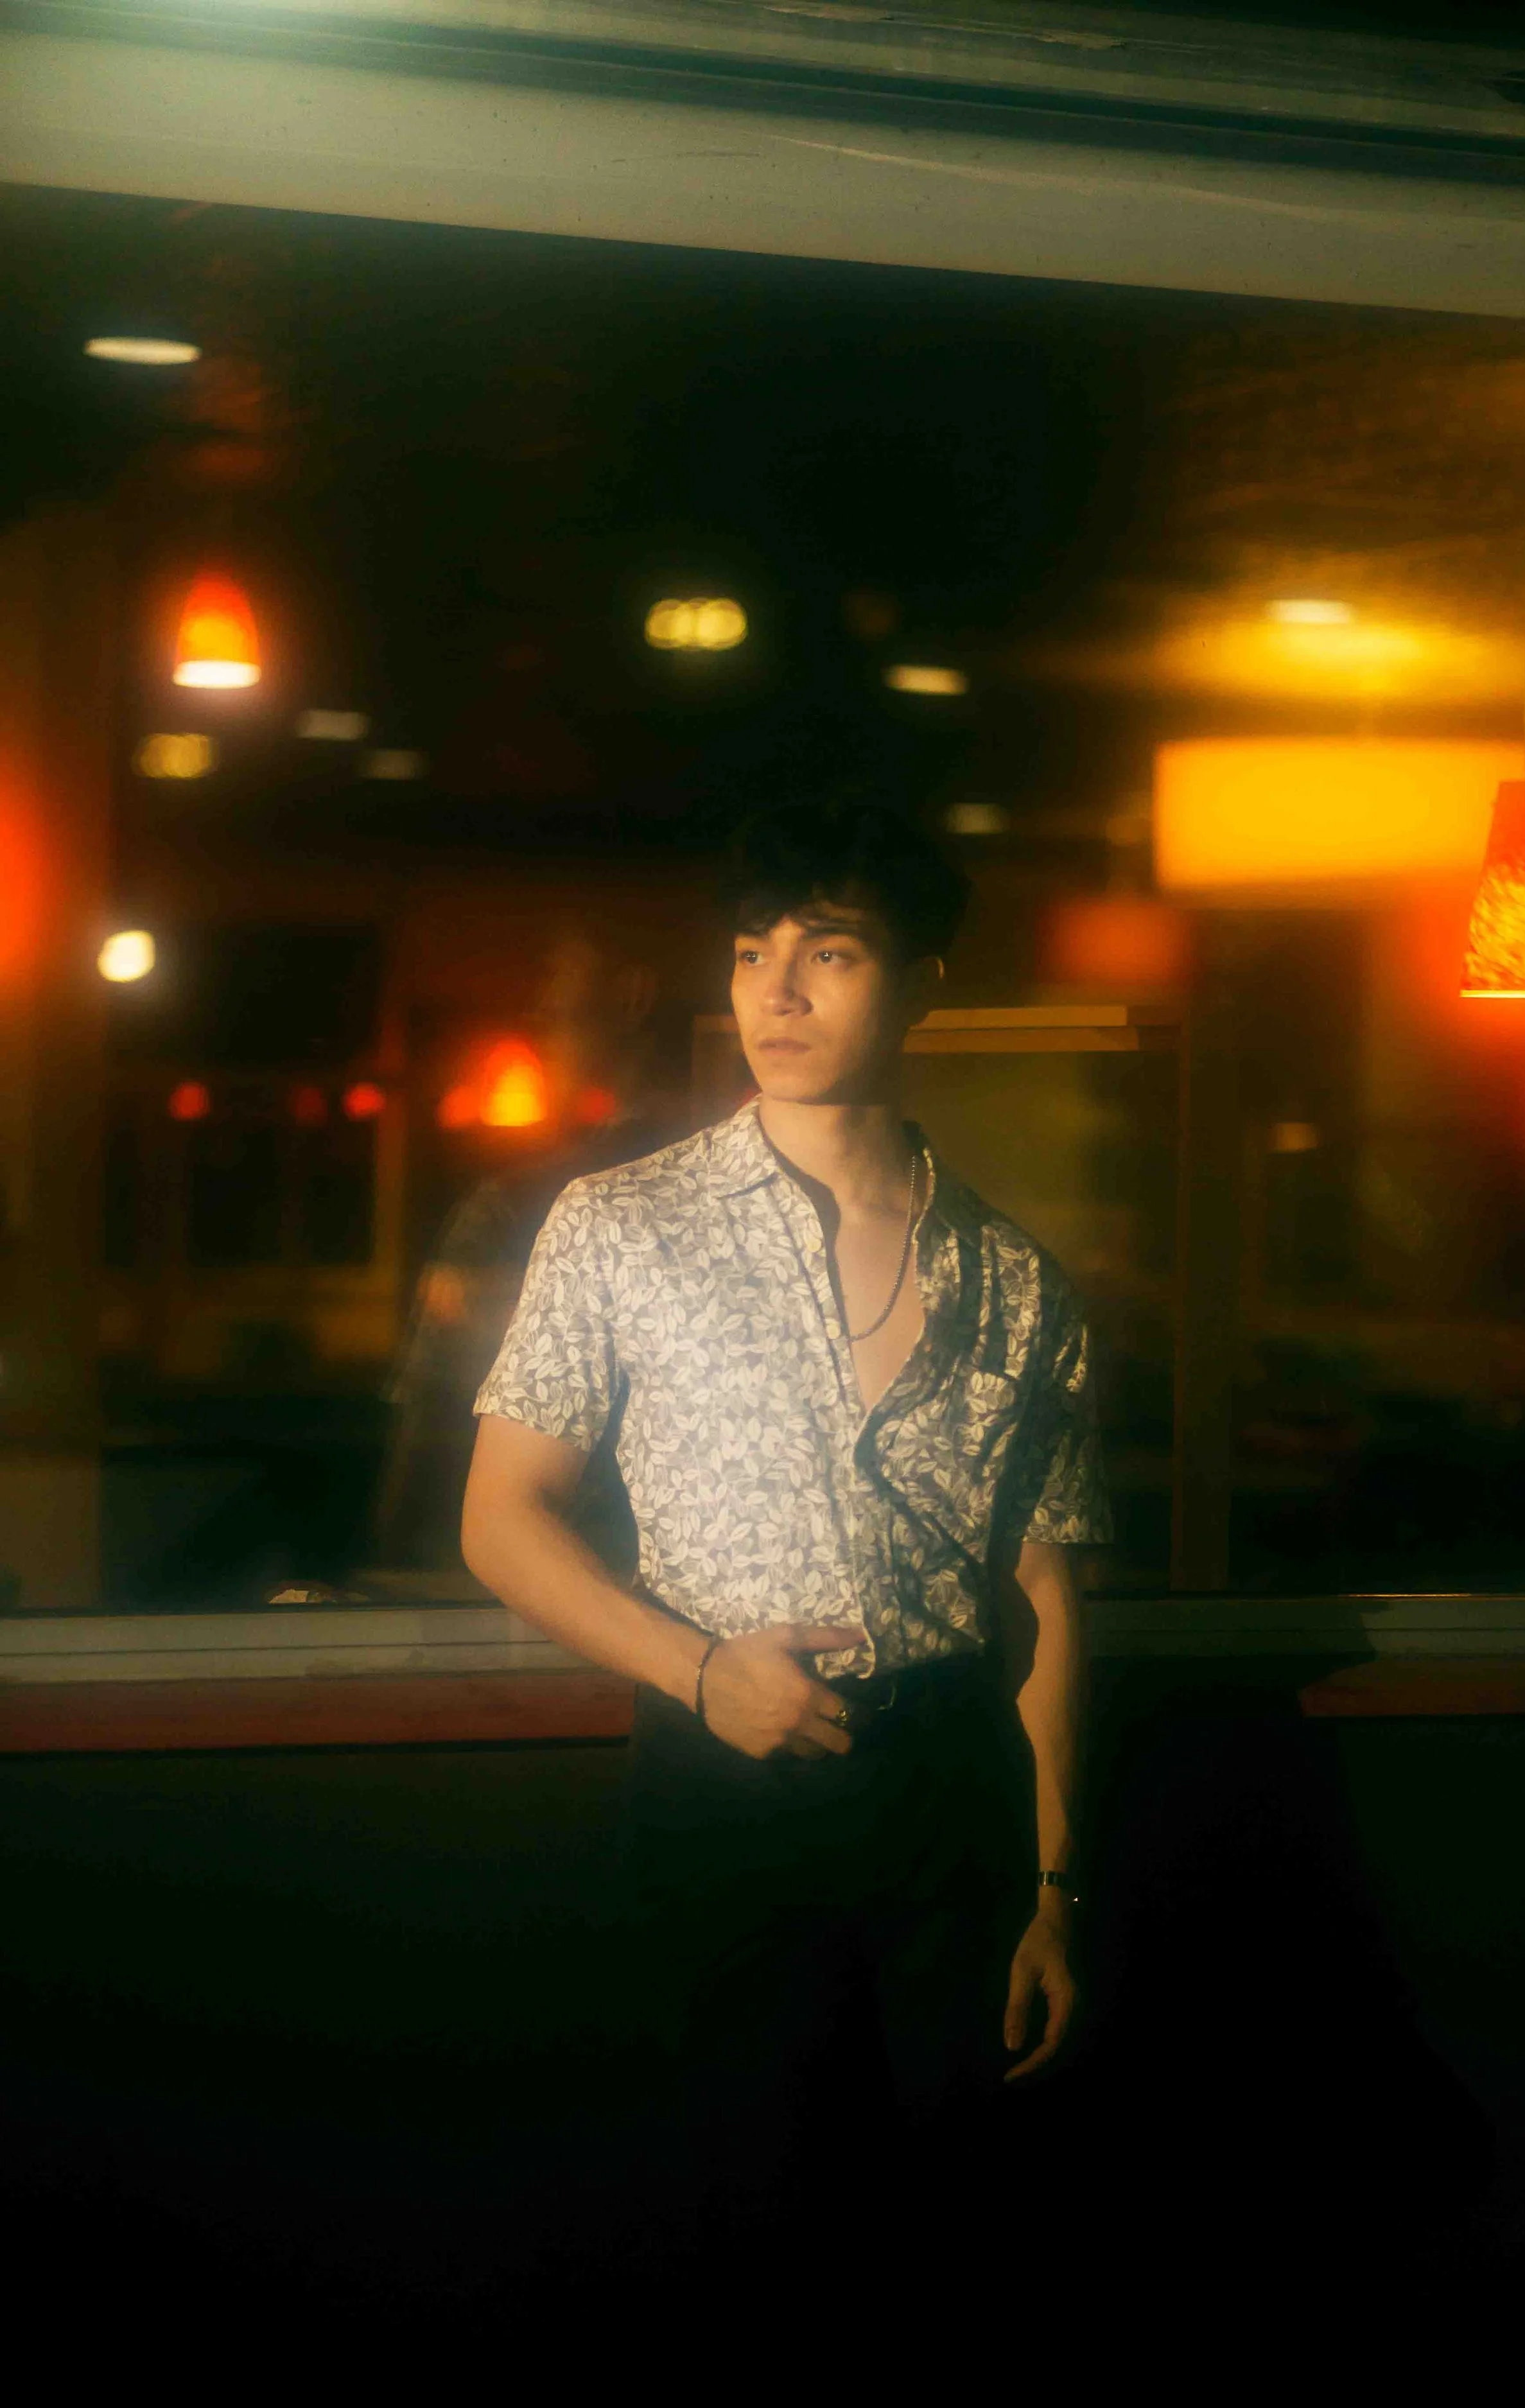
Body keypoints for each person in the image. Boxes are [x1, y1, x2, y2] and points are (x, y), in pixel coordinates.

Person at [462, 798, 1111, 2291]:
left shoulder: (1014, 1275)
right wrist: (698, 1671)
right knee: (737, 2236)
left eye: (831, 952)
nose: (778, 988)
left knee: (959, 2229)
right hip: (722, 1788)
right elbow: (497, 1516)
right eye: (755, 950)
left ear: (926, 978)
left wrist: (1058, 1890)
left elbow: (1045, 1597)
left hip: (954, 1794)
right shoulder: (623, 1221)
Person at [372, 932, 679, 1573]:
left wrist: (398, 1562)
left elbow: (429, 1423)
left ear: (632, 998)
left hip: (555, 1574)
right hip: (591, 1572)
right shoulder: (513, 1207)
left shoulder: (513, 1210)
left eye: (558, 1005)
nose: (542, 1025)